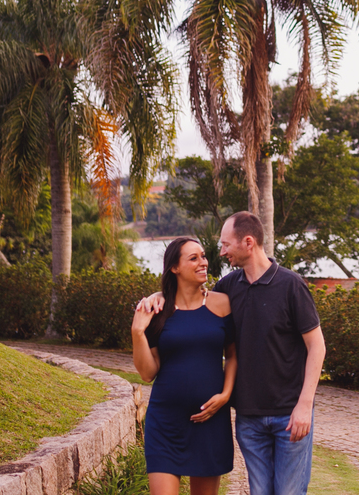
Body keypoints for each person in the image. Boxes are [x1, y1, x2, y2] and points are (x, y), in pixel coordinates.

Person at [139, 212, 326, 495]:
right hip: (248, 416)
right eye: (197, 256)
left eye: (225, 245)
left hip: (288, 413)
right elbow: (191, 307)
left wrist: (305, 405)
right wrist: (157, 297)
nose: (219, 253)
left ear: (248, 242)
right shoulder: (228, 289)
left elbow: (317, 346)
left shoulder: (290, 285)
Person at [131, 237, 236, 495]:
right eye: (194, 258)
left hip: (209, 420)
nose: (203, 262)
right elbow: (147, 373)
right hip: (166, 422)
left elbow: (233, 355)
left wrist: (225, 395)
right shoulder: (157, 310)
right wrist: (137, 332)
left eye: (203, 256)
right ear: (174, 268)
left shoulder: (222, 304)